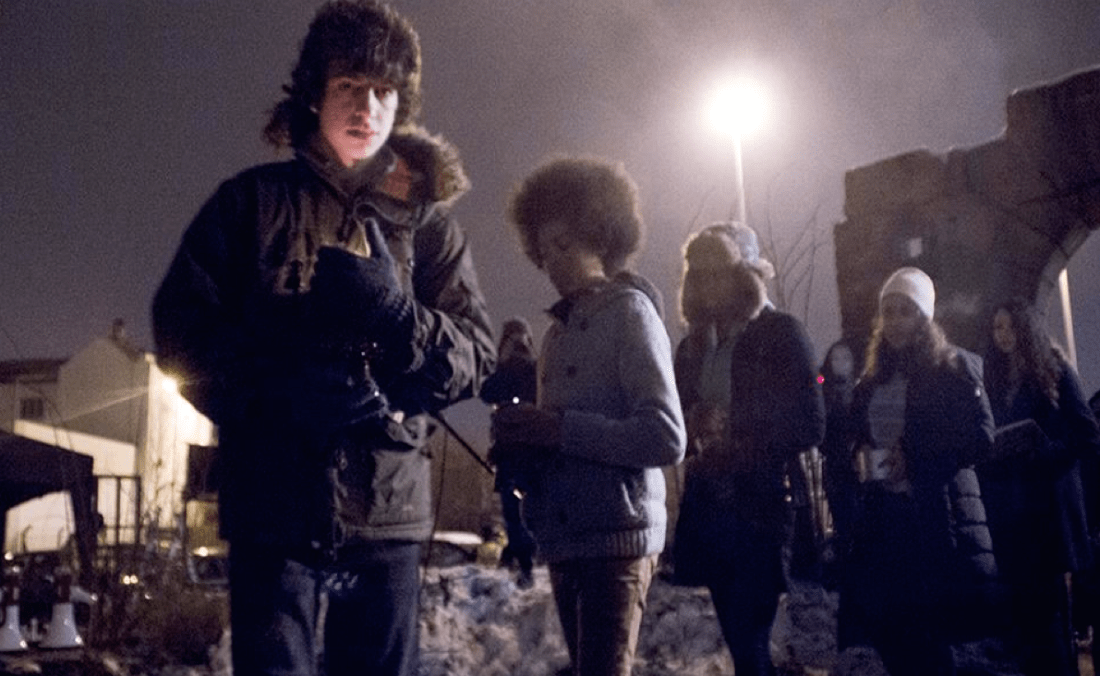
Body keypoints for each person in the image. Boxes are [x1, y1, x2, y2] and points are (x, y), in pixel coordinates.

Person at [150, 2, 495, 675]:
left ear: (403, 103)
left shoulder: (430, 229)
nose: (368, 106)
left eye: (385, 91)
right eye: (349, 86)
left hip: (390, 510)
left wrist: (402, 319)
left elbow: (476, 351)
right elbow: (181, 334)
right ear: (314, 92)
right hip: (274, 511)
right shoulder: (247, 204)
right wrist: (277, 397)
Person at [492, 155, 686, 676]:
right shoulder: (555, 335)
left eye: (563, 245)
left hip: (617, 540)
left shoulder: (629, 314)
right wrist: (525, 447)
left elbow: (665, 437)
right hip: (567, 538)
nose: (550, 262)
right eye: (543, 249)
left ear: (601, 238)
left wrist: (557, 429)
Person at [670, 222, 825, 676]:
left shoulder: (779, 333)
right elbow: (670, 421)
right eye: (697, 273)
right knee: (742, 646)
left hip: (760, 506)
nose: (707, 283)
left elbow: (810, 423)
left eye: (718, 271)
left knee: (751, 644)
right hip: (711, 509)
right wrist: (691, 422)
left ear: (743, 274)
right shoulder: (693, 347)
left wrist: (741, 441)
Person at [837, 267, 997, 676]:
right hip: (885, 523)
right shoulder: (873, 379)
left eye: (904, 311)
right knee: (892, 636)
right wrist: (857, 454)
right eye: (887, 311)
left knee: (931, 644)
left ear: (924, 317)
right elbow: (849, 434)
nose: (893, 321)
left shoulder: (952, 367)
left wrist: (916, 457)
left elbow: (981, 437)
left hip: (932, 519)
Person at [978, 297, 1100, 676]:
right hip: (1012, 515)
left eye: (1011, 327)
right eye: (997, 327)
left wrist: (1045, 452)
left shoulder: (1056, 371)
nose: (1003, 336)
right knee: (1024, 623)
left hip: (1047, 514)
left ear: (1026, 330)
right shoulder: (993, 379)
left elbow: (1087, 434)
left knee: (1051, 620)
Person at [479, 316, 539, 589]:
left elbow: (487, 391)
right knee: (519, 510)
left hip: (516, 454)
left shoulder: (520, 369)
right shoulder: (534, 367)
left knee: (515, 510)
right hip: (524, 453)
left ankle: (525, 562)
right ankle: (524, 559)